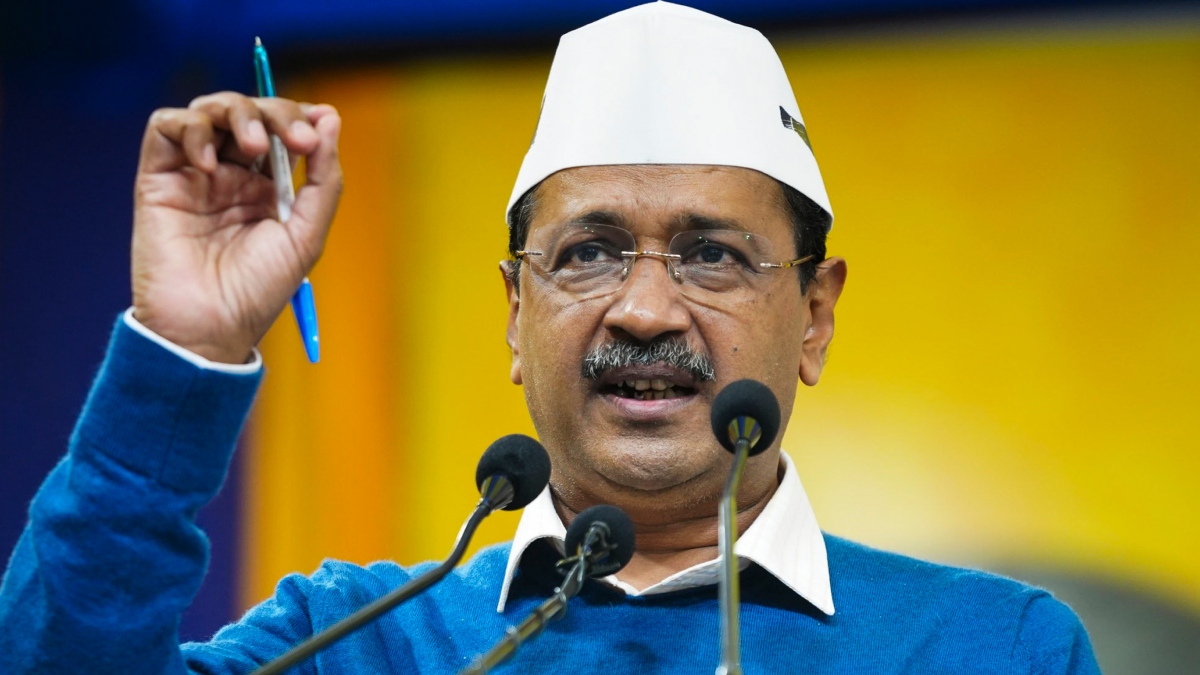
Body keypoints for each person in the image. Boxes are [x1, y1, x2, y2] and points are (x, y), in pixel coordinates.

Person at [0, 3, 1098, 673]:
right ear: (516, 315)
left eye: (713, 254)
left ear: (814, 315)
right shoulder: (355, 641)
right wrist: (180, 347)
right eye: (589, 252)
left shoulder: (996, 648)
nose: (645, 310)